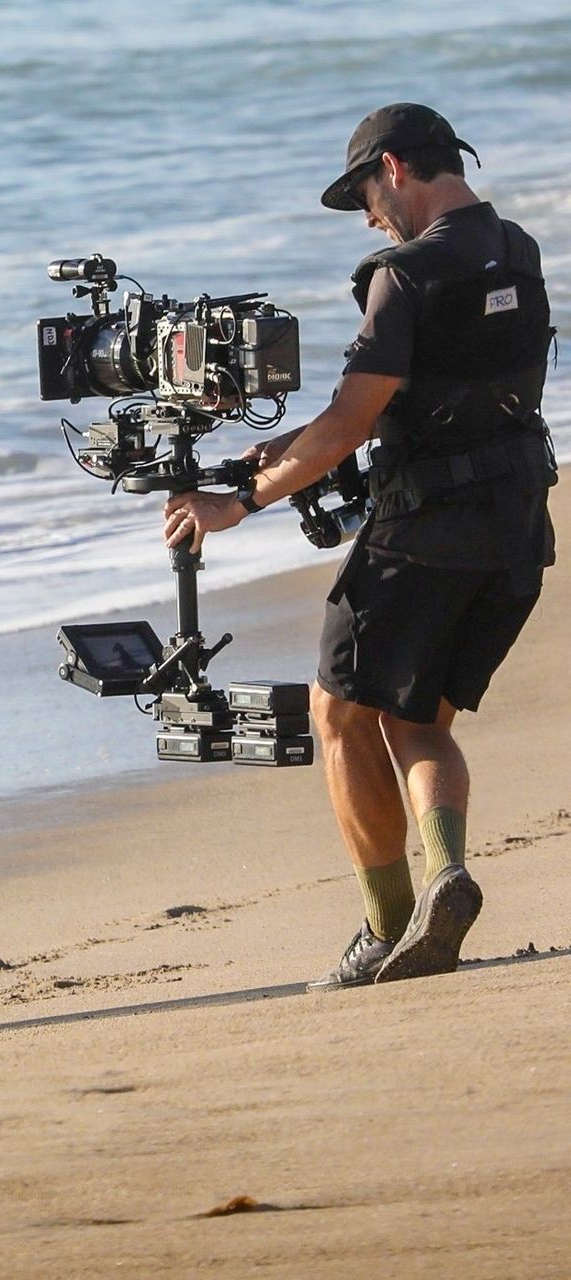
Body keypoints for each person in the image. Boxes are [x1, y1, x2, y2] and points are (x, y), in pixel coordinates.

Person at [163, 104, 555, 991]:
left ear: (394, 169)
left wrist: (238, 503)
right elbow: (441, 395)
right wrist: (298, 442)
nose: (371, 218)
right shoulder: (519, 252)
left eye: (367, 197)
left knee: (338, 714)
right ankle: (446, 876)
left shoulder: (402, 276)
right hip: (517, 531)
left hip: (424, 540)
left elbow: (350, 422)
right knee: (416, 721)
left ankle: (383, 928)